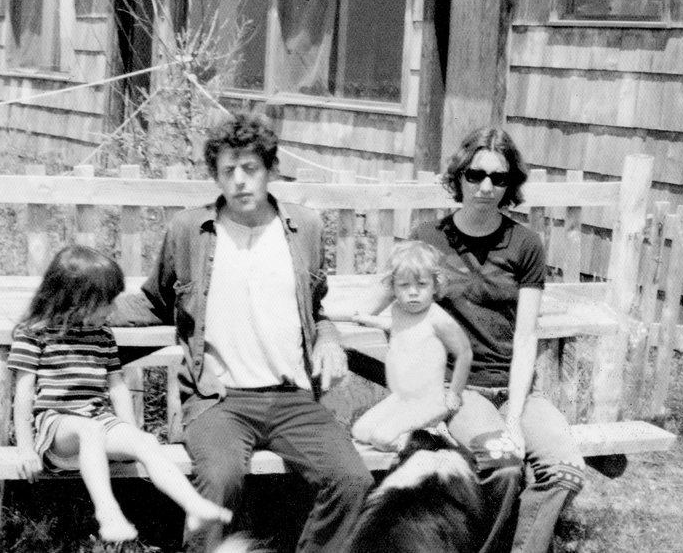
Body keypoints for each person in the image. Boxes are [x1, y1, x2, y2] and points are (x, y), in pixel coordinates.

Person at [110, 112, 373, 553]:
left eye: (250, 168)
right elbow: (155, 302)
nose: (239, 181)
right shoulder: (189, 230)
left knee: (351, 479)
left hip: (292, 398)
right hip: (219, 400)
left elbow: (315, 309)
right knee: (219, 479)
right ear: (215, 176)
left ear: (270, 170)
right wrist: (80, 309)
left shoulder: (304, 228)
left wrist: (328, 338)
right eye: (227, 170)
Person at [364, 127, 587, 553]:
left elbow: (526, 338)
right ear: (459, 176)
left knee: (566, 471)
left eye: (498, 178)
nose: (486, 187)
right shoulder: (429, 238)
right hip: (461, 389)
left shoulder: (525, 244)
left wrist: (515, 418)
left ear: (510, 184)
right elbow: (378, 299)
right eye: (475, 175)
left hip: (516, 388)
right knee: (504, 465)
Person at [8, 245, 232, 543]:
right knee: (89, 430)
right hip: (56, 428)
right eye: (107, 302)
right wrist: (25, 449)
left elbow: (117, 387)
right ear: (77, 300)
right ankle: (108, 514)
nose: (113, 310)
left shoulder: (102, 335)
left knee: (145, 441)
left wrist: (129, 432)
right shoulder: (34, 332)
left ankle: (193, 505)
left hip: (97, 422)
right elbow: (23, 394)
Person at [344, 240, 472, 451]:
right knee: (360, 432)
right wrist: (372, 321)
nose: (413, 292)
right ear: (393, 287)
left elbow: (465, 352)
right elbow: (402, 328)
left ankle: (433, 441)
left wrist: (454, 393)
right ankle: (418, 432)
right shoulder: (398, 310)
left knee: (382, 438)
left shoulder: (436, 316)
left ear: (435, 285)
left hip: (432, 398)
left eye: (421, 285)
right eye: (404, 285)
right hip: (403, 396)